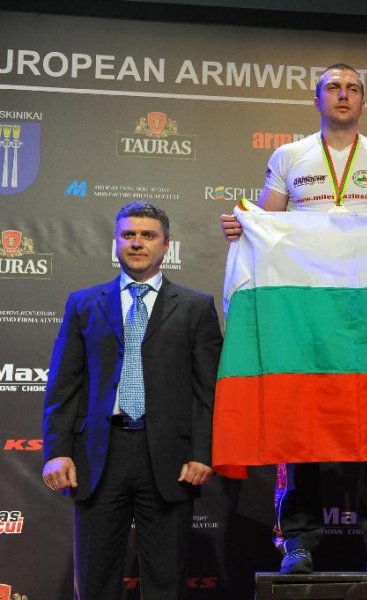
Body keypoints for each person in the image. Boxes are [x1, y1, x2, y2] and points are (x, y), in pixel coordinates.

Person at [219, 63, 367, 574]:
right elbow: (267, 223)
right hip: (307, 312)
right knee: (300, 422)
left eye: (353, 88)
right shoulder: (289, 156)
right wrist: (242, 228)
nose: (344, 95)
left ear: (364, 101)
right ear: (317, 100)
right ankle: (299, 541)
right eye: (333, 87)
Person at [42, 201, 223, 600]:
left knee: (166, 581)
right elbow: (63, 385)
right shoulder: (83, 303)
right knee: (94, 580)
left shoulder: (195, 307)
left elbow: (207, 390)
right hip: (98, 455)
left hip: (170, 459)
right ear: (116, 242)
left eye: (147, 235)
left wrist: (203, 452)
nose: (137, 243)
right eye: (128, 235)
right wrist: (57, 451)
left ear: (166, 245)